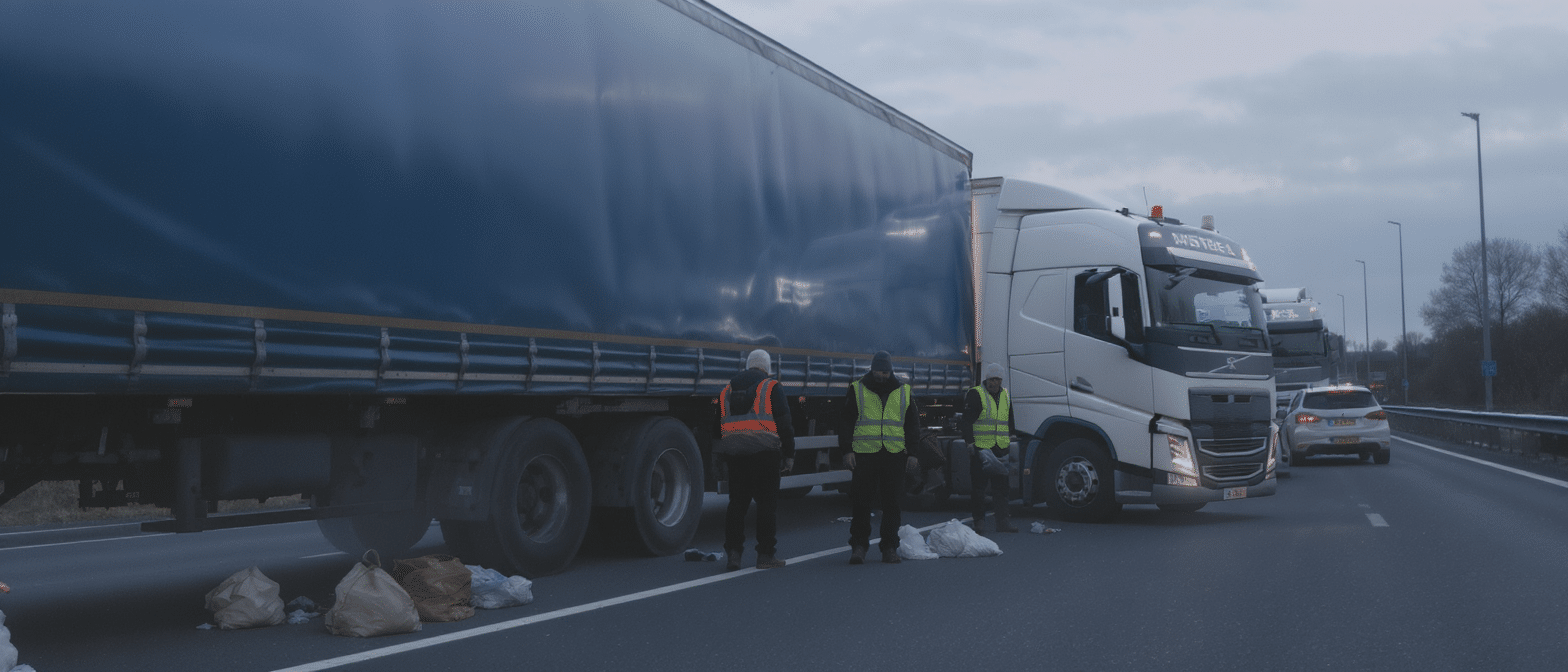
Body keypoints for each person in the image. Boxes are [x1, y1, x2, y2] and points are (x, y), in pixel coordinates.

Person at [835, 350, 921, 565]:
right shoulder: (857, 389)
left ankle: (889, 548)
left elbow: (912, 425)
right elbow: (845, 421)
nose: (880, 376)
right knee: (861, 502)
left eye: (884, 372)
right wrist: (847, 450)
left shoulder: (903, 391)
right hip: (865, 453)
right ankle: (859, 547)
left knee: (892, 503)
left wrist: (913, 453)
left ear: (890, 371)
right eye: (877, 371)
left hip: (894, 454)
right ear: (871, 370)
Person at [713, 349, 795, 571]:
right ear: (766, 367)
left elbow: (717, 425)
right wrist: (789, 454)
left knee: (737, 504)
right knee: (767, 505)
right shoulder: (771, 387)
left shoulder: (727, 390)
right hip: (765, 453)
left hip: (735, 453)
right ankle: (765, 555)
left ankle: (733, 555)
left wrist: (720, 456)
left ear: (748, 364)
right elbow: (784, 424)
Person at [960, 363, 1018, 533]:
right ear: (987, 379)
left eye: (998, 380)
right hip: (981, 448)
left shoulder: (1005, 395)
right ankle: (979, 522)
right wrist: (969, 443)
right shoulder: (976, 394)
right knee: (979, 489)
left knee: (1002, 489)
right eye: (993, 379)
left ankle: (1003, 522)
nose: (995, 383)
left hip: (1000, 448)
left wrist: (1011, 436)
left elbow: (1009, 419)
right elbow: (967, 421)